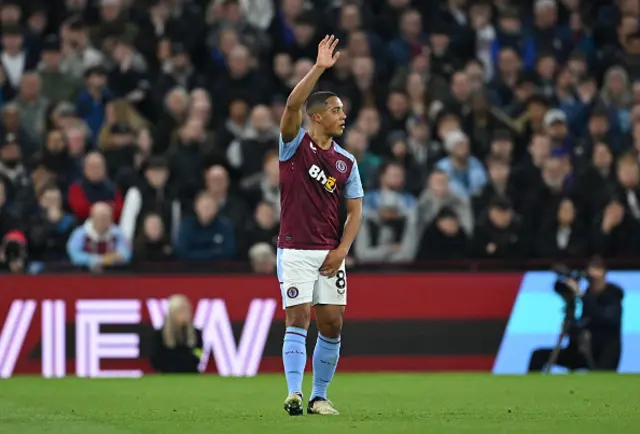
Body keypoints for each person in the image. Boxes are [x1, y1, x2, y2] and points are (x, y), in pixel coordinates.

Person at [278, 35, 363, 416]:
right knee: (298, 317)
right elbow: (293, 103)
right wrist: (319, 68)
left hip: (330, 252)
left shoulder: (347, 161)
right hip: (295, 247)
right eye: (336, 110)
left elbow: (355, 211)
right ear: (317, 116)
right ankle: (294, 393)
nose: (343, 115)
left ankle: (318, 396)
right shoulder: (294, 145)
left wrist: (343, 249)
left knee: (332, 323)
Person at [528, 257, 624, 372]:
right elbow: (585, 321)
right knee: (538, 356)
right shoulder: (588, 294)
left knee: (599, 379)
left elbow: (605, 318)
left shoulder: (613, 294)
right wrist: (570, 325)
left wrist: (581, 294)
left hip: (604, 351)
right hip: (582, 349)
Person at [149, 294, 204, 374]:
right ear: (173, 313)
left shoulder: (196, 334)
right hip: (166, 377)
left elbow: (198, 354)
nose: (186, 313)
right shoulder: (160, 335)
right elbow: (156, 360)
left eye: (187, 310)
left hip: (191, 376)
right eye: (181, 311)